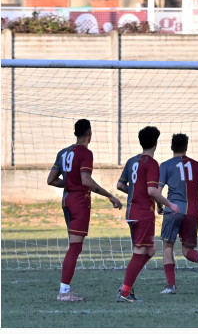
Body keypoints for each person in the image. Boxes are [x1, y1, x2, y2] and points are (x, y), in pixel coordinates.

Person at [48, 119, 123, 302]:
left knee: (74, 246)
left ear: (76, 133)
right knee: (74, 248)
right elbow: (86, 180)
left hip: (66, 200)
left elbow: (51, 180)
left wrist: (69, 183)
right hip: (79, 202)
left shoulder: (63, 152)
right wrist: (109, 195)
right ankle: (64, 292)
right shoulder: (86, 153)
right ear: (89, 133)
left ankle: (65, 289)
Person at [116, 126, 179, 303]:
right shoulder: (151, 164)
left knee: (150, 249)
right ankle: (125, 291)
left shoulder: (131, 161)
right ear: (156, 143)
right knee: (140, 251)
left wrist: (137, 194)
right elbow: (152, 190)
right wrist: (169, 204)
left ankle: (127, 284)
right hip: (143, 213)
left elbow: (120, 185)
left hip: (132, 212)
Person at [154, 133, 198, 294]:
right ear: (186, 147)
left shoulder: (166, 165)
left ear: (171, 147)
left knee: (168, 246)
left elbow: (158, 191)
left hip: (173, 209)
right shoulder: (196, 165)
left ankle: (171, 286)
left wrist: (159, 205)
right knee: (187, 250)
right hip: (192, 211)